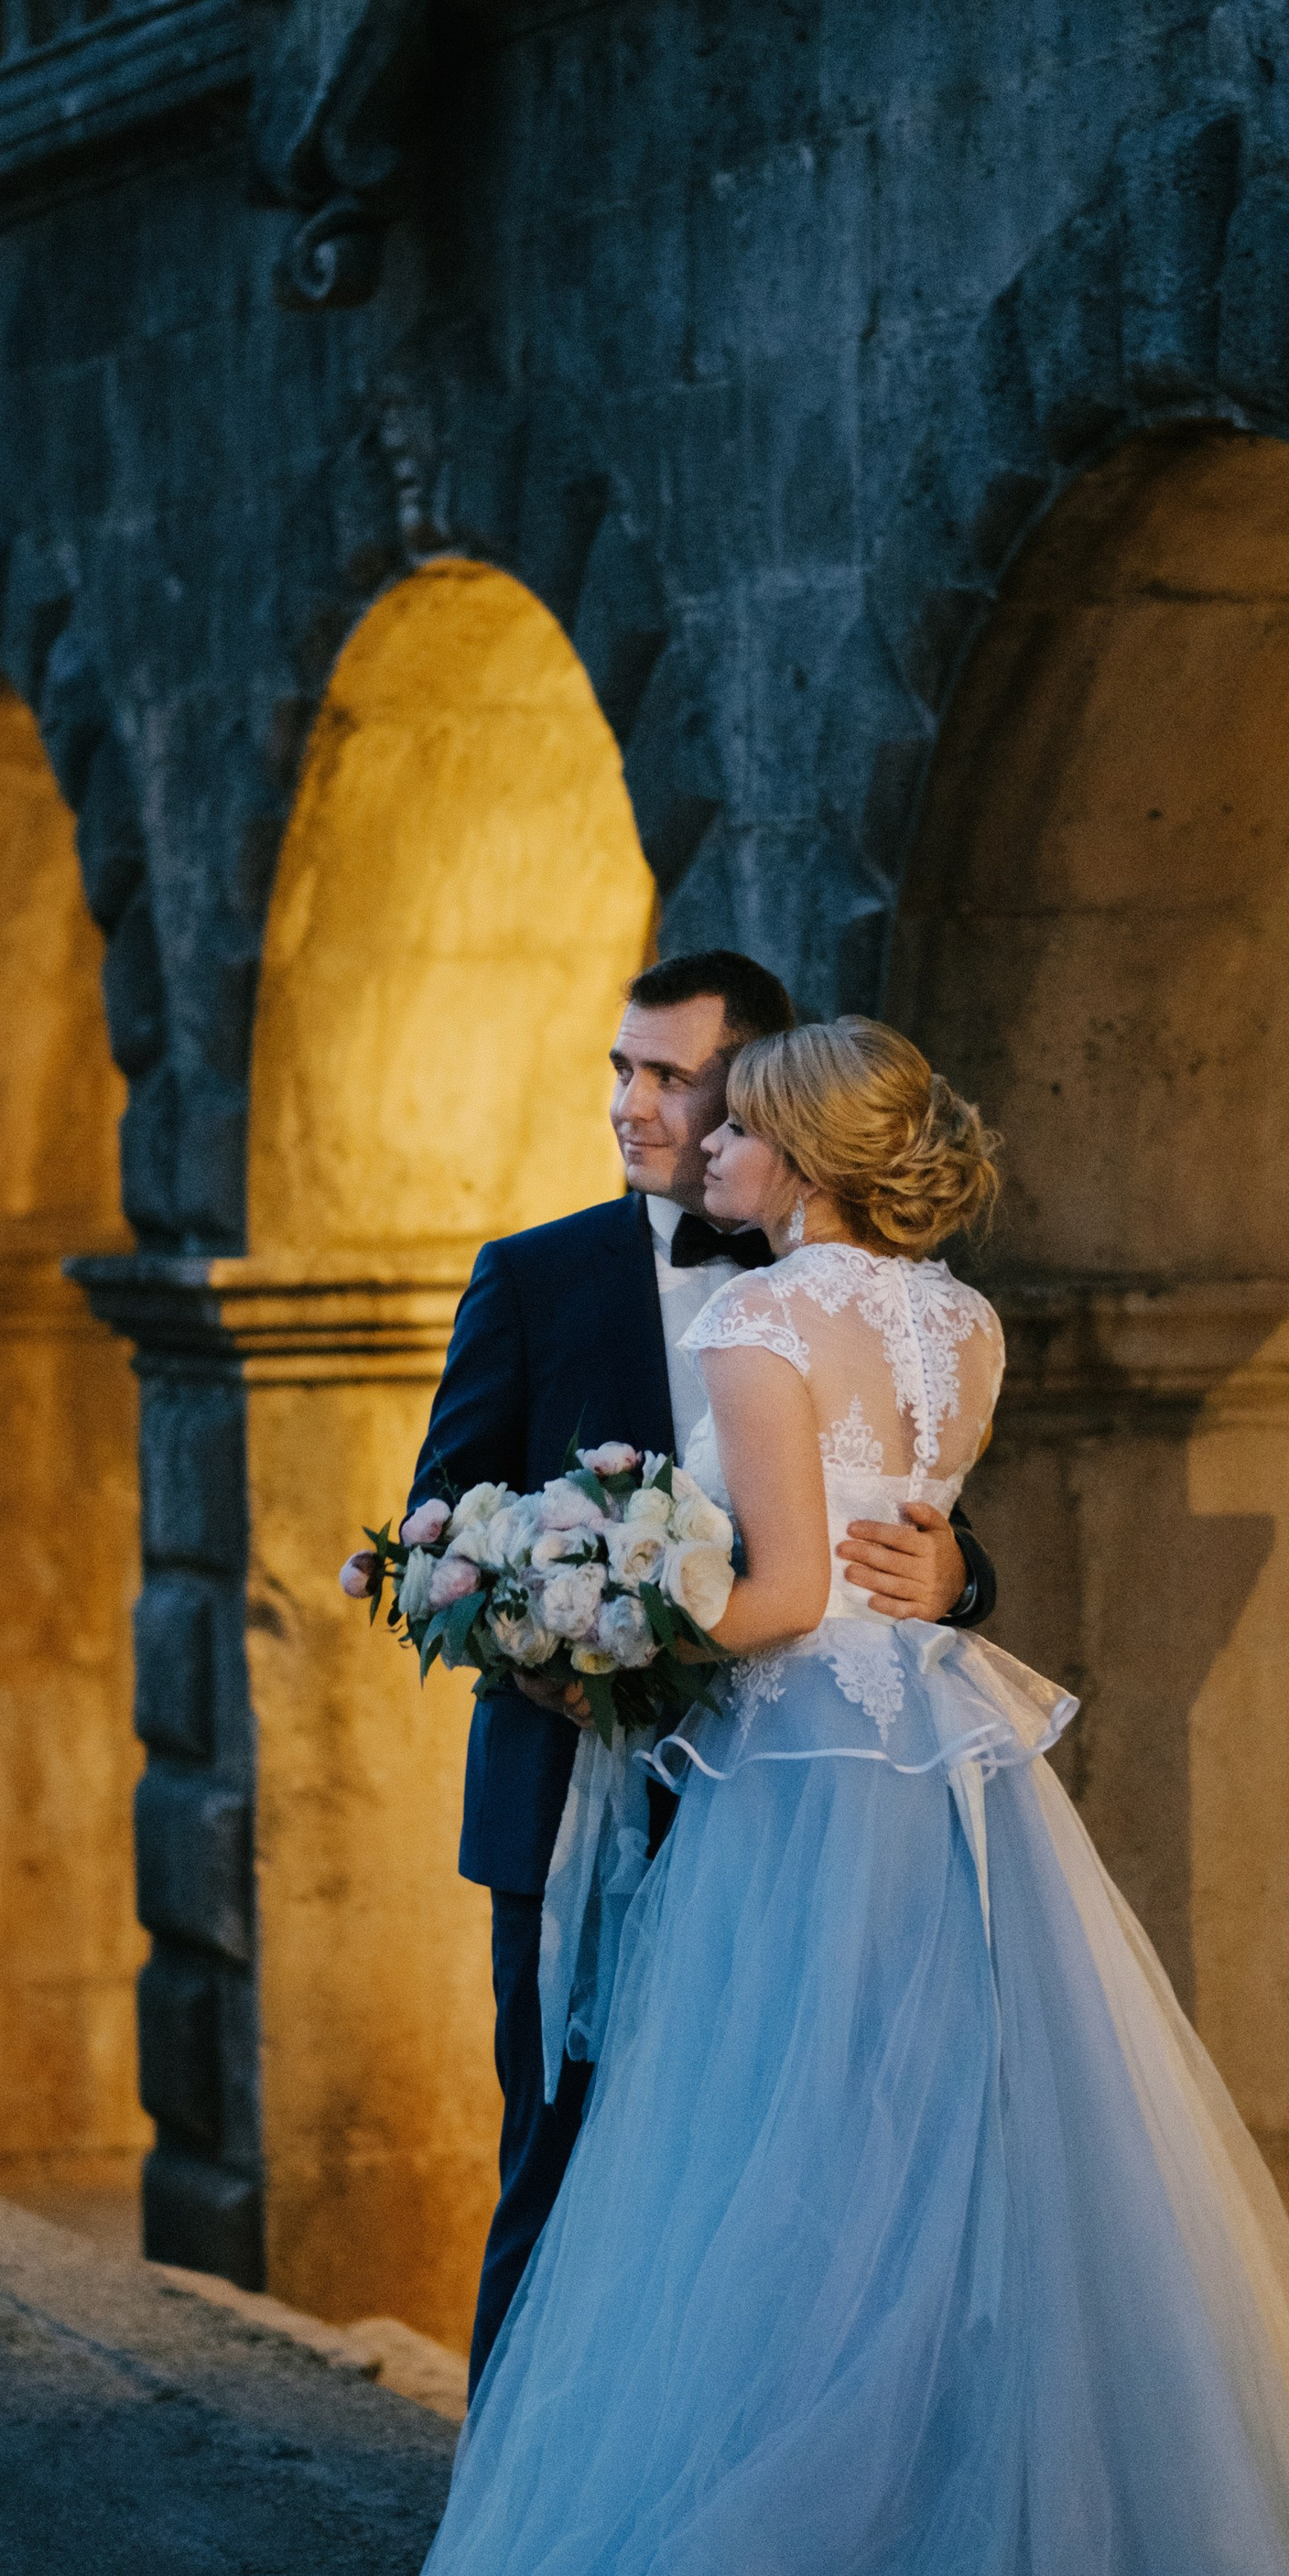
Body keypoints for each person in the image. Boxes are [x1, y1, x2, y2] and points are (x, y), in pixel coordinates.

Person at [370, 1018, 1289, 2576]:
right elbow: (904, 1540)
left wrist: (604, 1613)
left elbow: (784, 1595)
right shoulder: (963, 1326)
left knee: (768, 2175)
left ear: (794, 1157)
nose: (703, 1144)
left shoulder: (757, 1324)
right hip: (944, 1771)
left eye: (738, 1128)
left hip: (801, 1782)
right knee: (951, 2163)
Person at [396, 951, 999, 2394]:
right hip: (574, 1805)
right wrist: (545, 1636)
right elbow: (436, 1536)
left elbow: (891, 1519)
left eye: (673, 1079)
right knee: (559, 2185)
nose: (633, 1104)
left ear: (767, 1099)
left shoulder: (841, 1299)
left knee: (786, 2195)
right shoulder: (536, 1279)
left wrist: (966, 1577)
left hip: (800, 1799)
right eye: (623, 1069)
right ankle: (508, 2549)